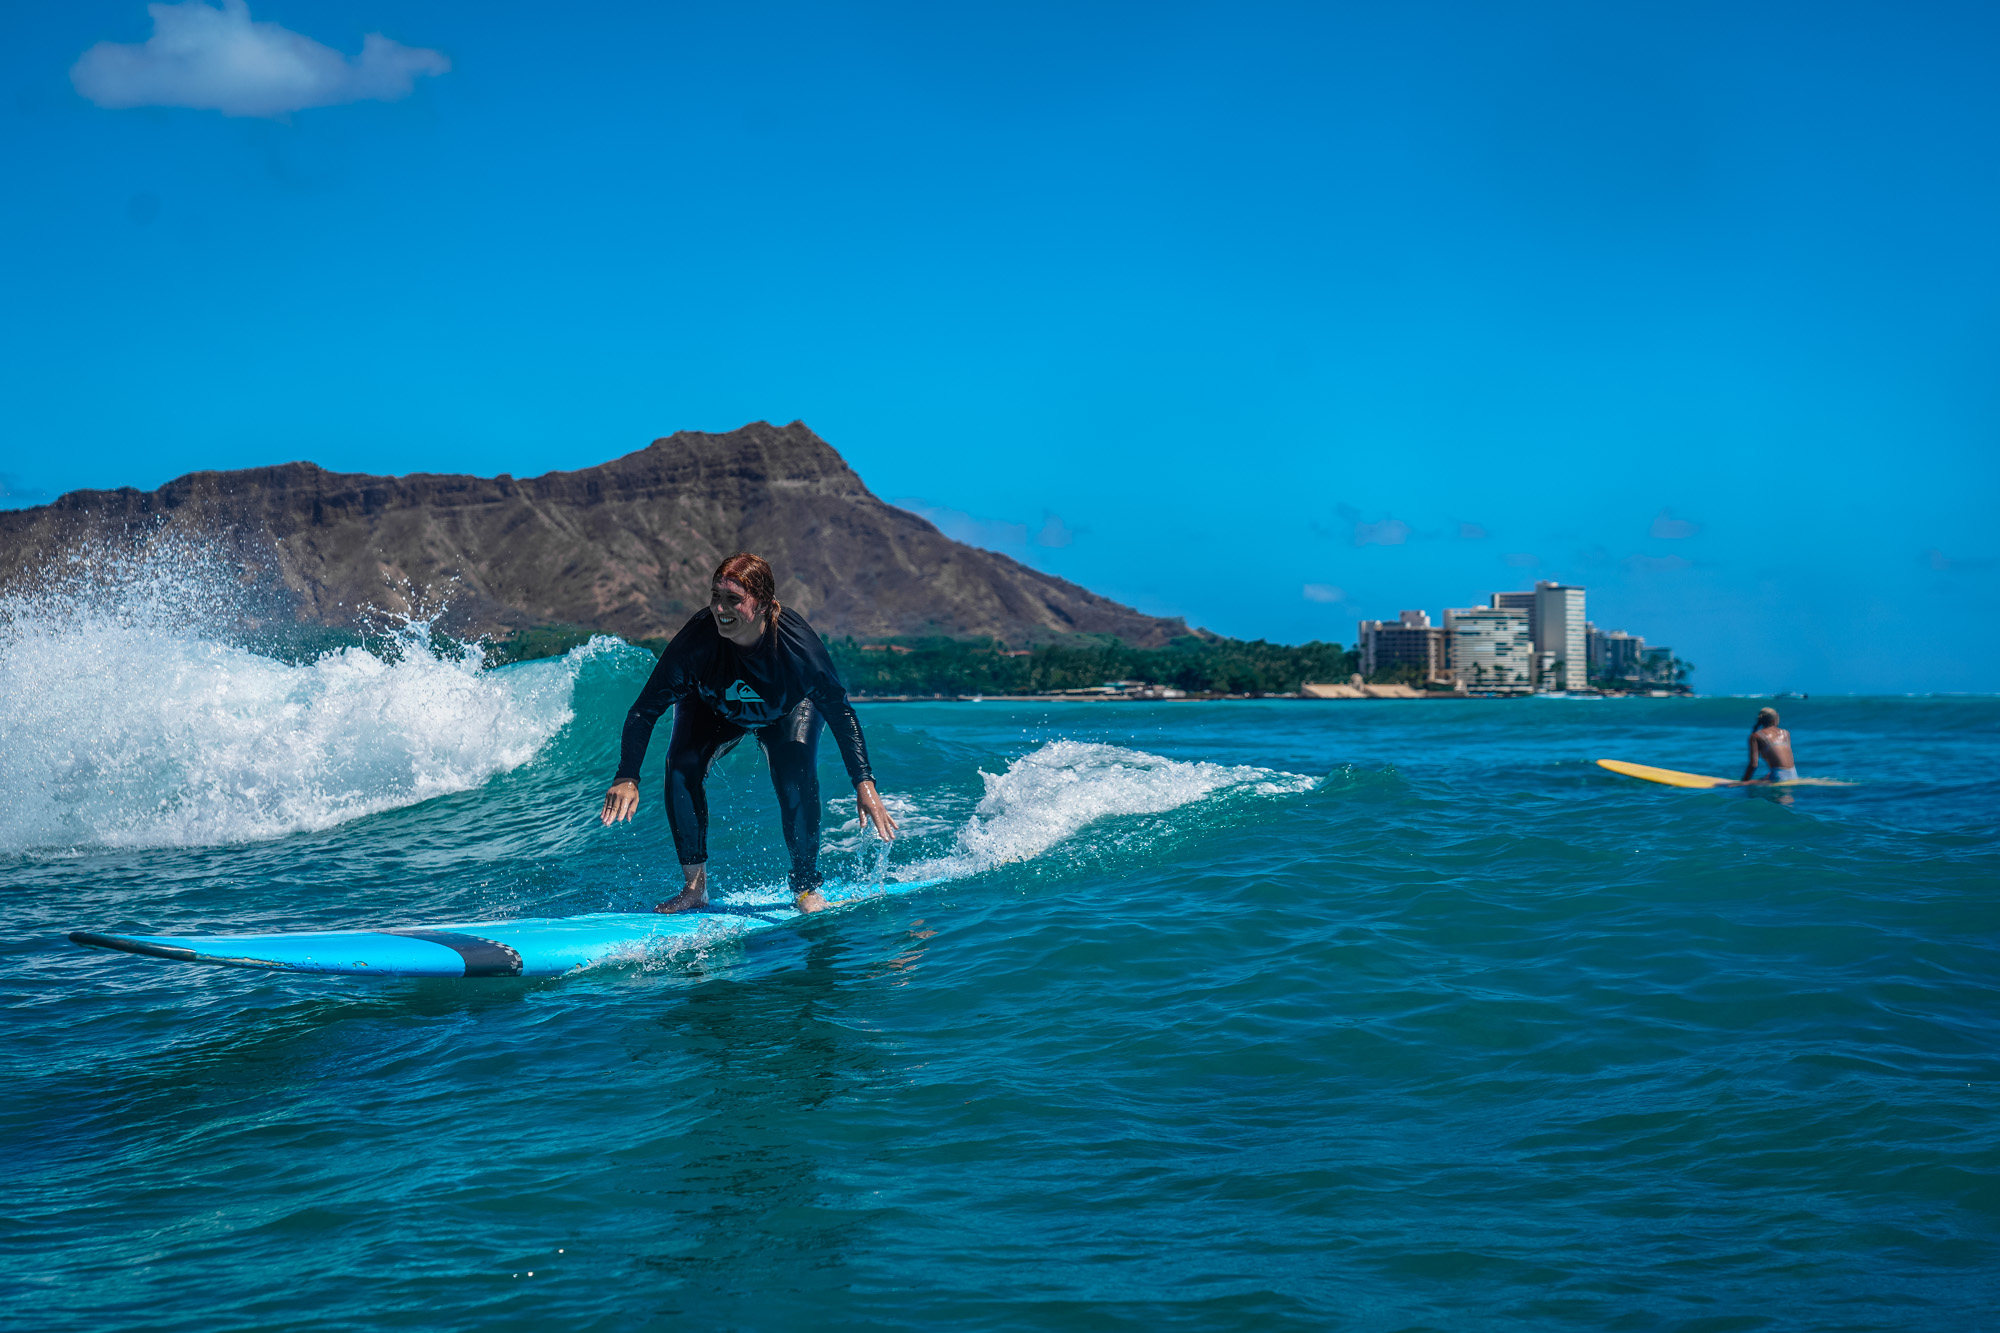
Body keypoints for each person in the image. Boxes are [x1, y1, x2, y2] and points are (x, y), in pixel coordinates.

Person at [598, 552, 897, 914]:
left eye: (733, 599)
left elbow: (840, 711)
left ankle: (805, 888)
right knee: (681, 764)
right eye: (715, 597)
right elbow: (644, 709)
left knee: (795, 769)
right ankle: (694, 888)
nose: (720, 609)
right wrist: (627, 774)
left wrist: (864, 784)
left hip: (787, 710)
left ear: (765, 604)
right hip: (713, 707)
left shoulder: (799, 649)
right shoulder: (697, 642)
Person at [1740, 707, 1798, 784]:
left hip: (1778, 777)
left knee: (1738, 785)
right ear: (1774, 720)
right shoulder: (1785, 733)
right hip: (1794, 775)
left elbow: (1753, 765)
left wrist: (1743, 782)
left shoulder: (1756, 736)